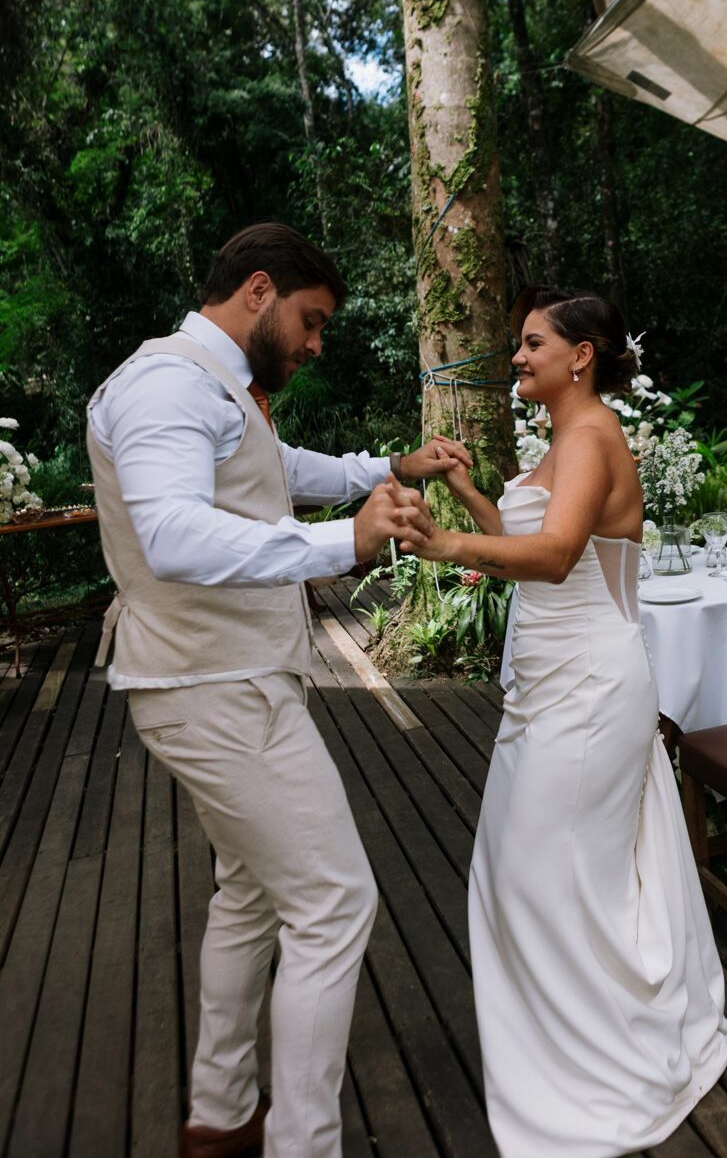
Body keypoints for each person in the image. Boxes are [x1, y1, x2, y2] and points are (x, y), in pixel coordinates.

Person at [86, 223, 463, 1158]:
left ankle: (219, 1118)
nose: (315, 342)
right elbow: (171, 534)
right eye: (311, 320)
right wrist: (347, 545)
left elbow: (271, 475)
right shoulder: (166, 384)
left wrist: (386, 469)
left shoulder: (216, 391)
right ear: (259, 290)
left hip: (229, 681)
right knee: (334, 904)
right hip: (215, 690)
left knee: (251, 896)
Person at [400, 285, 727, 1158]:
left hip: (589, 684)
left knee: (545, 873)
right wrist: (472, 499)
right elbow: (529, 543)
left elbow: (551, 558)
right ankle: (560, 1051)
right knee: (525, 869)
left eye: (532, 343)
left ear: (580, 355)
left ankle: (593, 1069)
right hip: (546, 682)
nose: (517, 356)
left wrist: (447, 546)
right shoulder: (558, 443)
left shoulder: (592, 435)